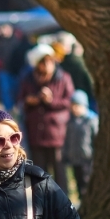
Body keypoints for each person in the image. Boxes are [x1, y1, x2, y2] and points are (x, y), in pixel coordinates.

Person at [18, 45, 74, 194]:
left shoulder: (63, 77)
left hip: (56, 132)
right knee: (39, 169)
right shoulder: (29, 78)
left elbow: (69, 101)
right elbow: (20, 99)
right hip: (35, 130)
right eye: (44, 62)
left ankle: (63, 199)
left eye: (50, 61)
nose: (48, 65)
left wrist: (51, 100)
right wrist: (32, 101)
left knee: (59, 168)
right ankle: (41, 199)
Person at [62, 90, 98, 199]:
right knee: (78, 183)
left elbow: (95, 139)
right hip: (75, 158)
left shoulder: (91, 120)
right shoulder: (70, 122)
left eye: (77, 105)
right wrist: (66, 154)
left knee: (87, 182)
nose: (74, 109)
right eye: (72, 106)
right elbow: (67, 140)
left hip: (87, 159)